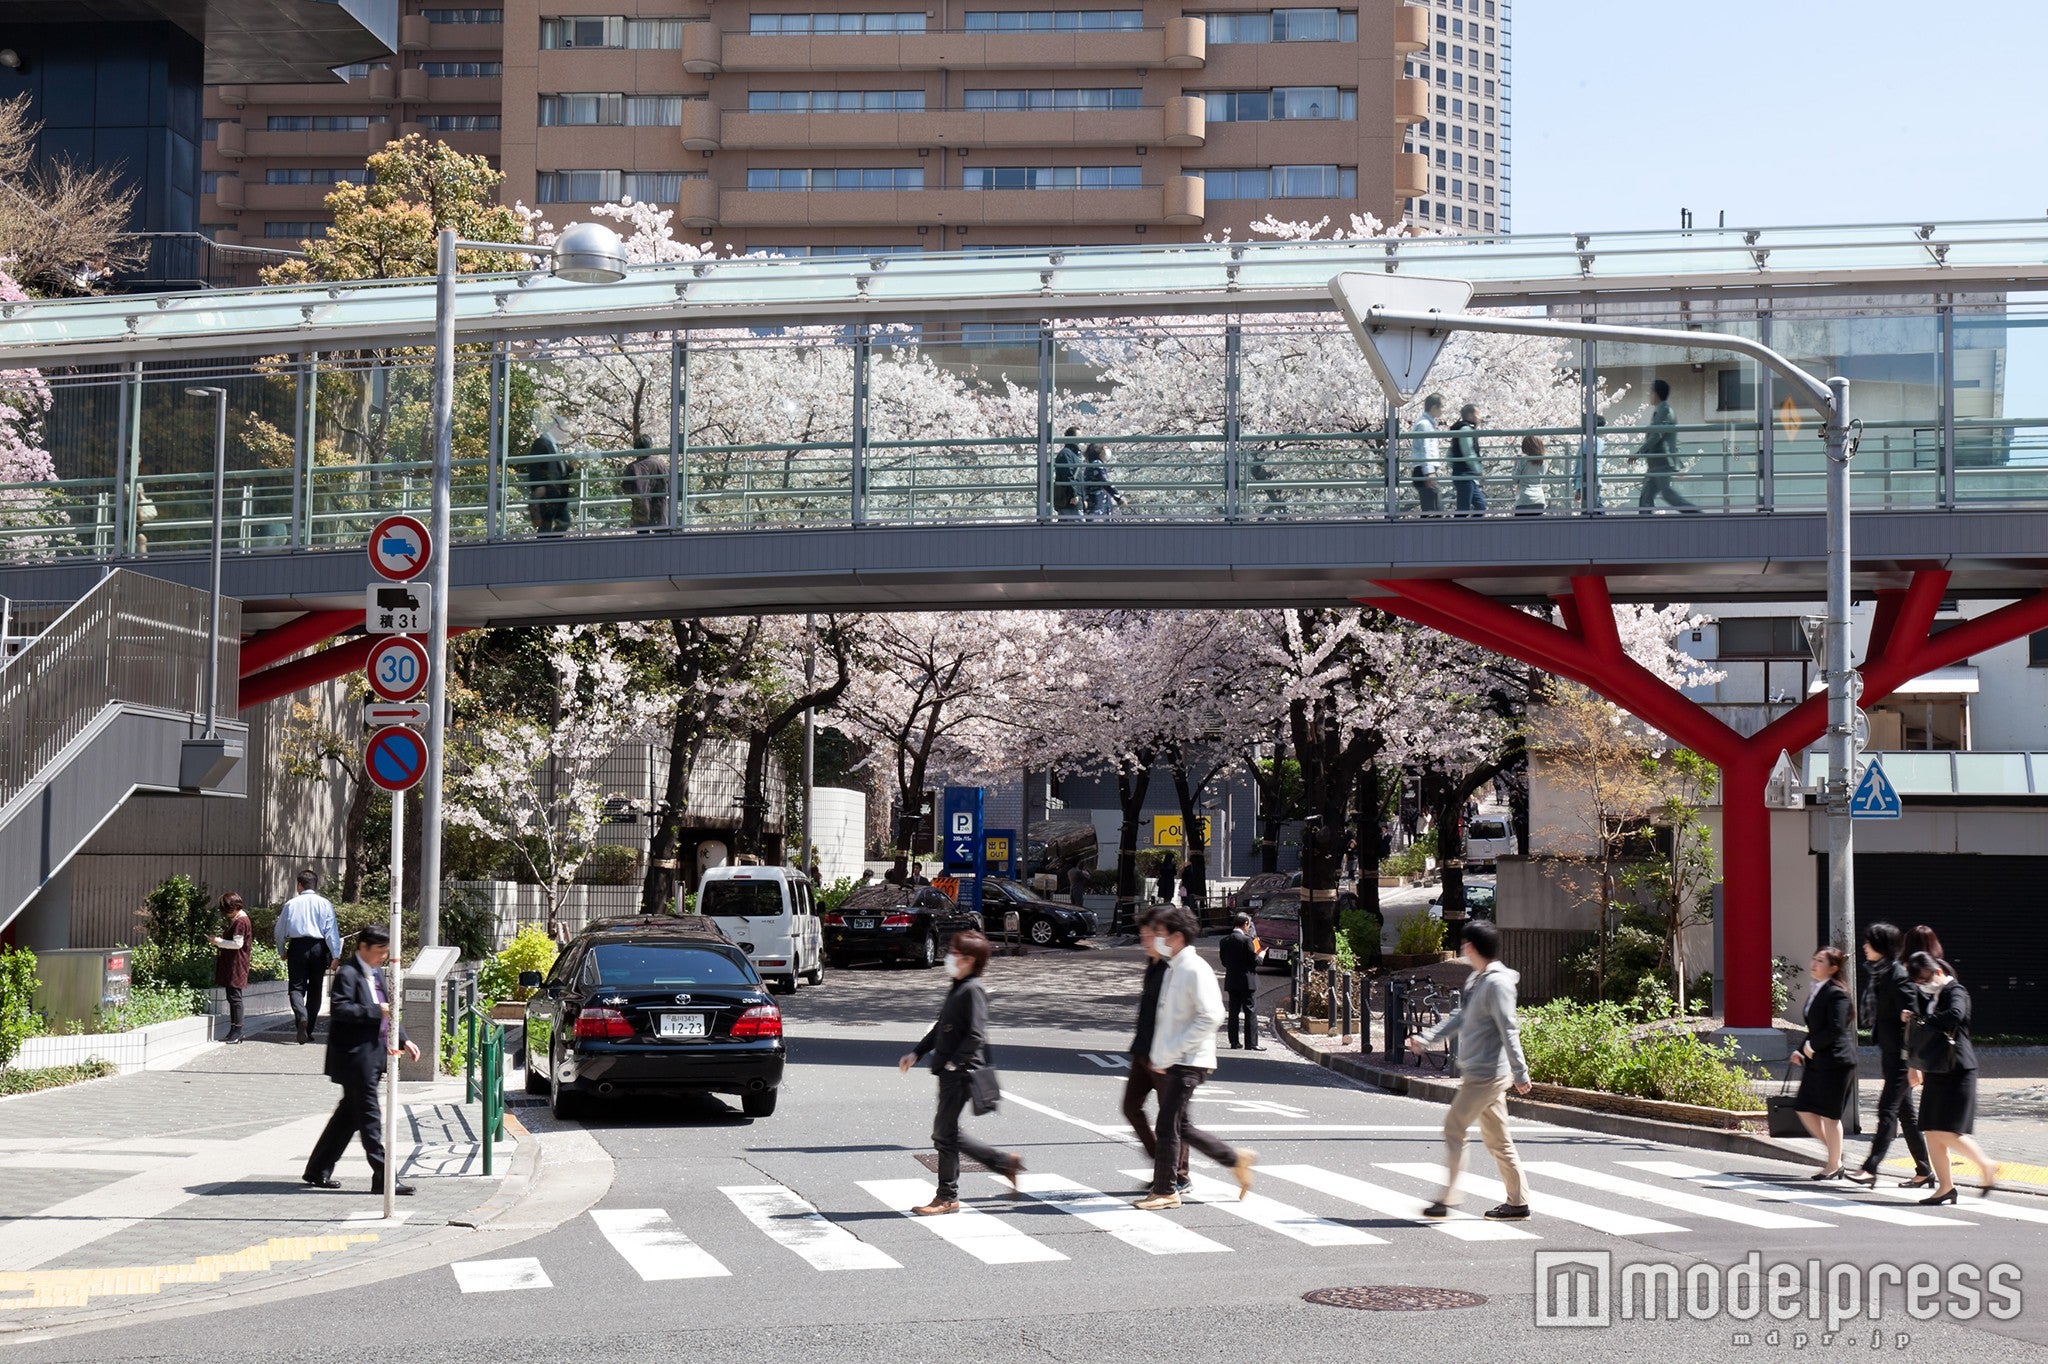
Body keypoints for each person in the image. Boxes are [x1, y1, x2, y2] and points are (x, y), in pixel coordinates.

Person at [1407, 919, 1532, 1220]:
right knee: (1498, 1140)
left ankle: (1448, 1199)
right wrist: (1426, 1038)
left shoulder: (1496, 983)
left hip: (1487, 1074)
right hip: (1483, 1072)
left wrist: (1521, 1072)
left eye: (1464, 943)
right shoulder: (1478, 979)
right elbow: (1459, 1018)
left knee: (1454, 1127)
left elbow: (1509, 1028)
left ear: (1472, 947)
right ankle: (1518, 1202)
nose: (1462, 947)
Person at [1137, 907, 1256, 1210]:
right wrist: (1160, 1054)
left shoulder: (1193, 968)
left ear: (1177, 937)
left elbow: (1212, 1015)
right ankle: (1233, 1159)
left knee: (1167, 1125)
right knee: (1179, 1125)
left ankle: (1166, 1189)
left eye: (1161, 934)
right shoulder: (1175, 966)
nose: (1156, 939)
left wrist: (1173, 1050)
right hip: (1175, 1058)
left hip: (1188, 1061)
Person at [897, 929, 1023, 1215]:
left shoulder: (973, 989)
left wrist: (955, 1062)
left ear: (969, 959)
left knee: (944, 1134)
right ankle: (1003, 1164)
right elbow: (942, 1027)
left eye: (955, 953)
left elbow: (976, 1035)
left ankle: (948, 1196)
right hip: (950, 1070)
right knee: (947, 1133)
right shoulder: (959, 985)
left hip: (962, 1072)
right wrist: (916, 1053)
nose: (950, 957)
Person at [303, 924, 419, 1196]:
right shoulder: (348, 973)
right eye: (379, 951)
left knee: (347, 1117)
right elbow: (341, 1009)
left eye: (385, 952)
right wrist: (374, 1011)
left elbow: (390, 1010)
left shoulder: (377, 973)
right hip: (354, 1058)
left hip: (372, 1056)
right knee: (369, 1117)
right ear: (364, 947)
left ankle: (317, 1169)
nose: (382, 957)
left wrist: (404, 1039)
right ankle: (384, 1177)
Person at [1903, 950, 1996, 1203]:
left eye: (1924, 979)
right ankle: (1946, 1187)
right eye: (1919, 982)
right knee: (1932, 1132)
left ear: (1938, 972)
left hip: (1958, 1070)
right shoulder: (1928, 997)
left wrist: (1923, 1019)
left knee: (1948, 1131)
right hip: (1936, 1069)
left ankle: (1986, 1165)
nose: (1923, 986)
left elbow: (1955, 1015)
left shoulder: (1956, 991)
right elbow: (1919, 1030)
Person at [1851, 922, 1932, 1188]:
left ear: (1882, 947)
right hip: (1889, 1052)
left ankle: (1870, 1166)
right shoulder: (1880, 973)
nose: (1864, 946)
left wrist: (1914, 1064)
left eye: (1869, 942)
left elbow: (1914, 1019)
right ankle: (1924, 1170)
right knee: (1906, 1115)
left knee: (1886, 1110)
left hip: (1902, 1057)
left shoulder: (1897, 975)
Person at [1123, 908, 1188, 1194]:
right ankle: (1164, 1163)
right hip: (1143, 1051)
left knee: (1175, 1119)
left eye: (1152, 934)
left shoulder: (1174, 968)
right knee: (1131, 1107)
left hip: (1164, 1054)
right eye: (1144, 934)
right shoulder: (1153, 964)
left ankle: (1179, 1174)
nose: (1145, 939)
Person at [1789, 946, 1858, 1179]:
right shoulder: (1817, 990)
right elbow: (1815, 1028)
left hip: (1837, 1062)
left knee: (1830, 1115)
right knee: (1804, 1107)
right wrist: (1801, 1050)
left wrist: (1811, 1047)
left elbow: (1835, 1028)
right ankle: (1835, 1154)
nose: (1814, 963)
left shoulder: (1837, 993)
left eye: (1821, 960)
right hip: (1818, 1059)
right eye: (1814, 958)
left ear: (1833, 968)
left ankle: (1834, 1163)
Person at [275, 868, 340, 1045]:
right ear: (315, 885)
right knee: (316, 988)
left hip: (297, 947)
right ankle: (308, 1029)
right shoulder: (325, 903)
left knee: (296, 987)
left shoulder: (291, 904)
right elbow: (331, 931)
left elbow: (279, 931)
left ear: (299, 885)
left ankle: (301, 1017)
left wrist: (282, 950)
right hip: (319, 947)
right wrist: (336, 955)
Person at [1637, 379, 1699, 513]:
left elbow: (1657, 434)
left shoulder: (1665, 410)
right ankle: (1644, 524)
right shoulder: (1662, 410)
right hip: (1655, 464)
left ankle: (1695, 513)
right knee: (1646, 497)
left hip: (1662, 462)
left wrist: (1639, 452)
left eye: (1651, 392)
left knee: (1666, 494)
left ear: (1656, 394)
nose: (1649, 395)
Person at [210, 892, 253, 1045]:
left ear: (234, 907)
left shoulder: (240, 921)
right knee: (232, 997)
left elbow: (237, 944)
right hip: (234, 964)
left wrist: (218, 941)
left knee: (235, 998)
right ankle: (234, 1030)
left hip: (236, 964)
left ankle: (238, 1031)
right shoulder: (239, 919)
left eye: (226, 910)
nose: (225, 913)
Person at [1219, 912, 1261, 1051]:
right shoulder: (1247, 940)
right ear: (1245, 924)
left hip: (1232, 980)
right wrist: (1261, 955)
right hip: (1247, 981)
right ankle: (1251, 1043)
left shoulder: (1224, 941)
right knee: (1250, 1011)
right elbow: (1255, 961)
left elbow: (1224, 962)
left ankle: (1234, 1042)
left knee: (1233, 1012)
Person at [526, 428, 574, 533]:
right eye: (564, 430)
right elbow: (534, 465)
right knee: (548, 523)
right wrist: (537, 485)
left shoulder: (554, 444)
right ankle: (545, 546)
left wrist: (569, 467)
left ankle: (548, 545)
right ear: (557, 428)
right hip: (548, 491)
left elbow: (558, 466)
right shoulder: (542, 442)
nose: (566, 433)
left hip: (557, 491)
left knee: (562, 522)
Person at [622, 433, 669, 531]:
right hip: (659, 508)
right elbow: (668, 484)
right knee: (661, 539)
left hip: (641, 511)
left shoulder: (632, 467)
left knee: (642, 540)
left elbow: (626, 488)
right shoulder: (661, 465)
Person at [1448, 403, 1488, 514]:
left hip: (1466, 476)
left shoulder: (1461, 429)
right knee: (1464, 509)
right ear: (1470, 415)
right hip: (1465, 475)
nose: (1479, 417)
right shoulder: (1465, 430)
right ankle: (1458, 530)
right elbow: (1468, 452)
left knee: (1480, 506)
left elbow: (1450, 454)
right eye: (1477, 414)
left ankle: (1472, 530)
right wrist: (1478, 471)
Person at [1409, 393, 1444, 513]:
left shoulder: (1426, 423)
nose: (1443, 411)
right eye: (1442, 407)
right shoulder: (1425, 425)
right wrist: (1429, 472)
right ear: (1434, 407)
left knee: (1430, 507)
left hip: (1423, 469)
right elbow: (1425, 449)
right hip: (1424, 470)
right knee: (1433, 508)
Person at [1512, 434, 1548, 516]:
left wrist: (1515, 463)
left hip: (1524, 498)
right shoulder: (1544, 461)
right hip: (1539, 499)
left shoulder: (1522, 460)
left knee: (1521, 527)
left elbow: (1515, 479)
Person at [1082, 444, 1120, 517]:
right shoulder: (1097, 464)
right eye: (1105, 448)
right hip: (1097, 503)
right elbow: (1104, 482)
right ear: (1100, 452)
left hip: (1094, 501)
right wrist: (1118, 497)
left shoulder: (1091, 464)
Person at [1052, 427, 1083, 518]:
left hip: (1072, 499)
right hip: (1070, 500)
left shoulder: (1072, 454)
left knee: (1066, 526)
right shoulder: (1067, 454)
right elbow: (1068, 475)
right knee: (1077, 527)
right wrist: (1074, 494)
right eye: (1079, 437)